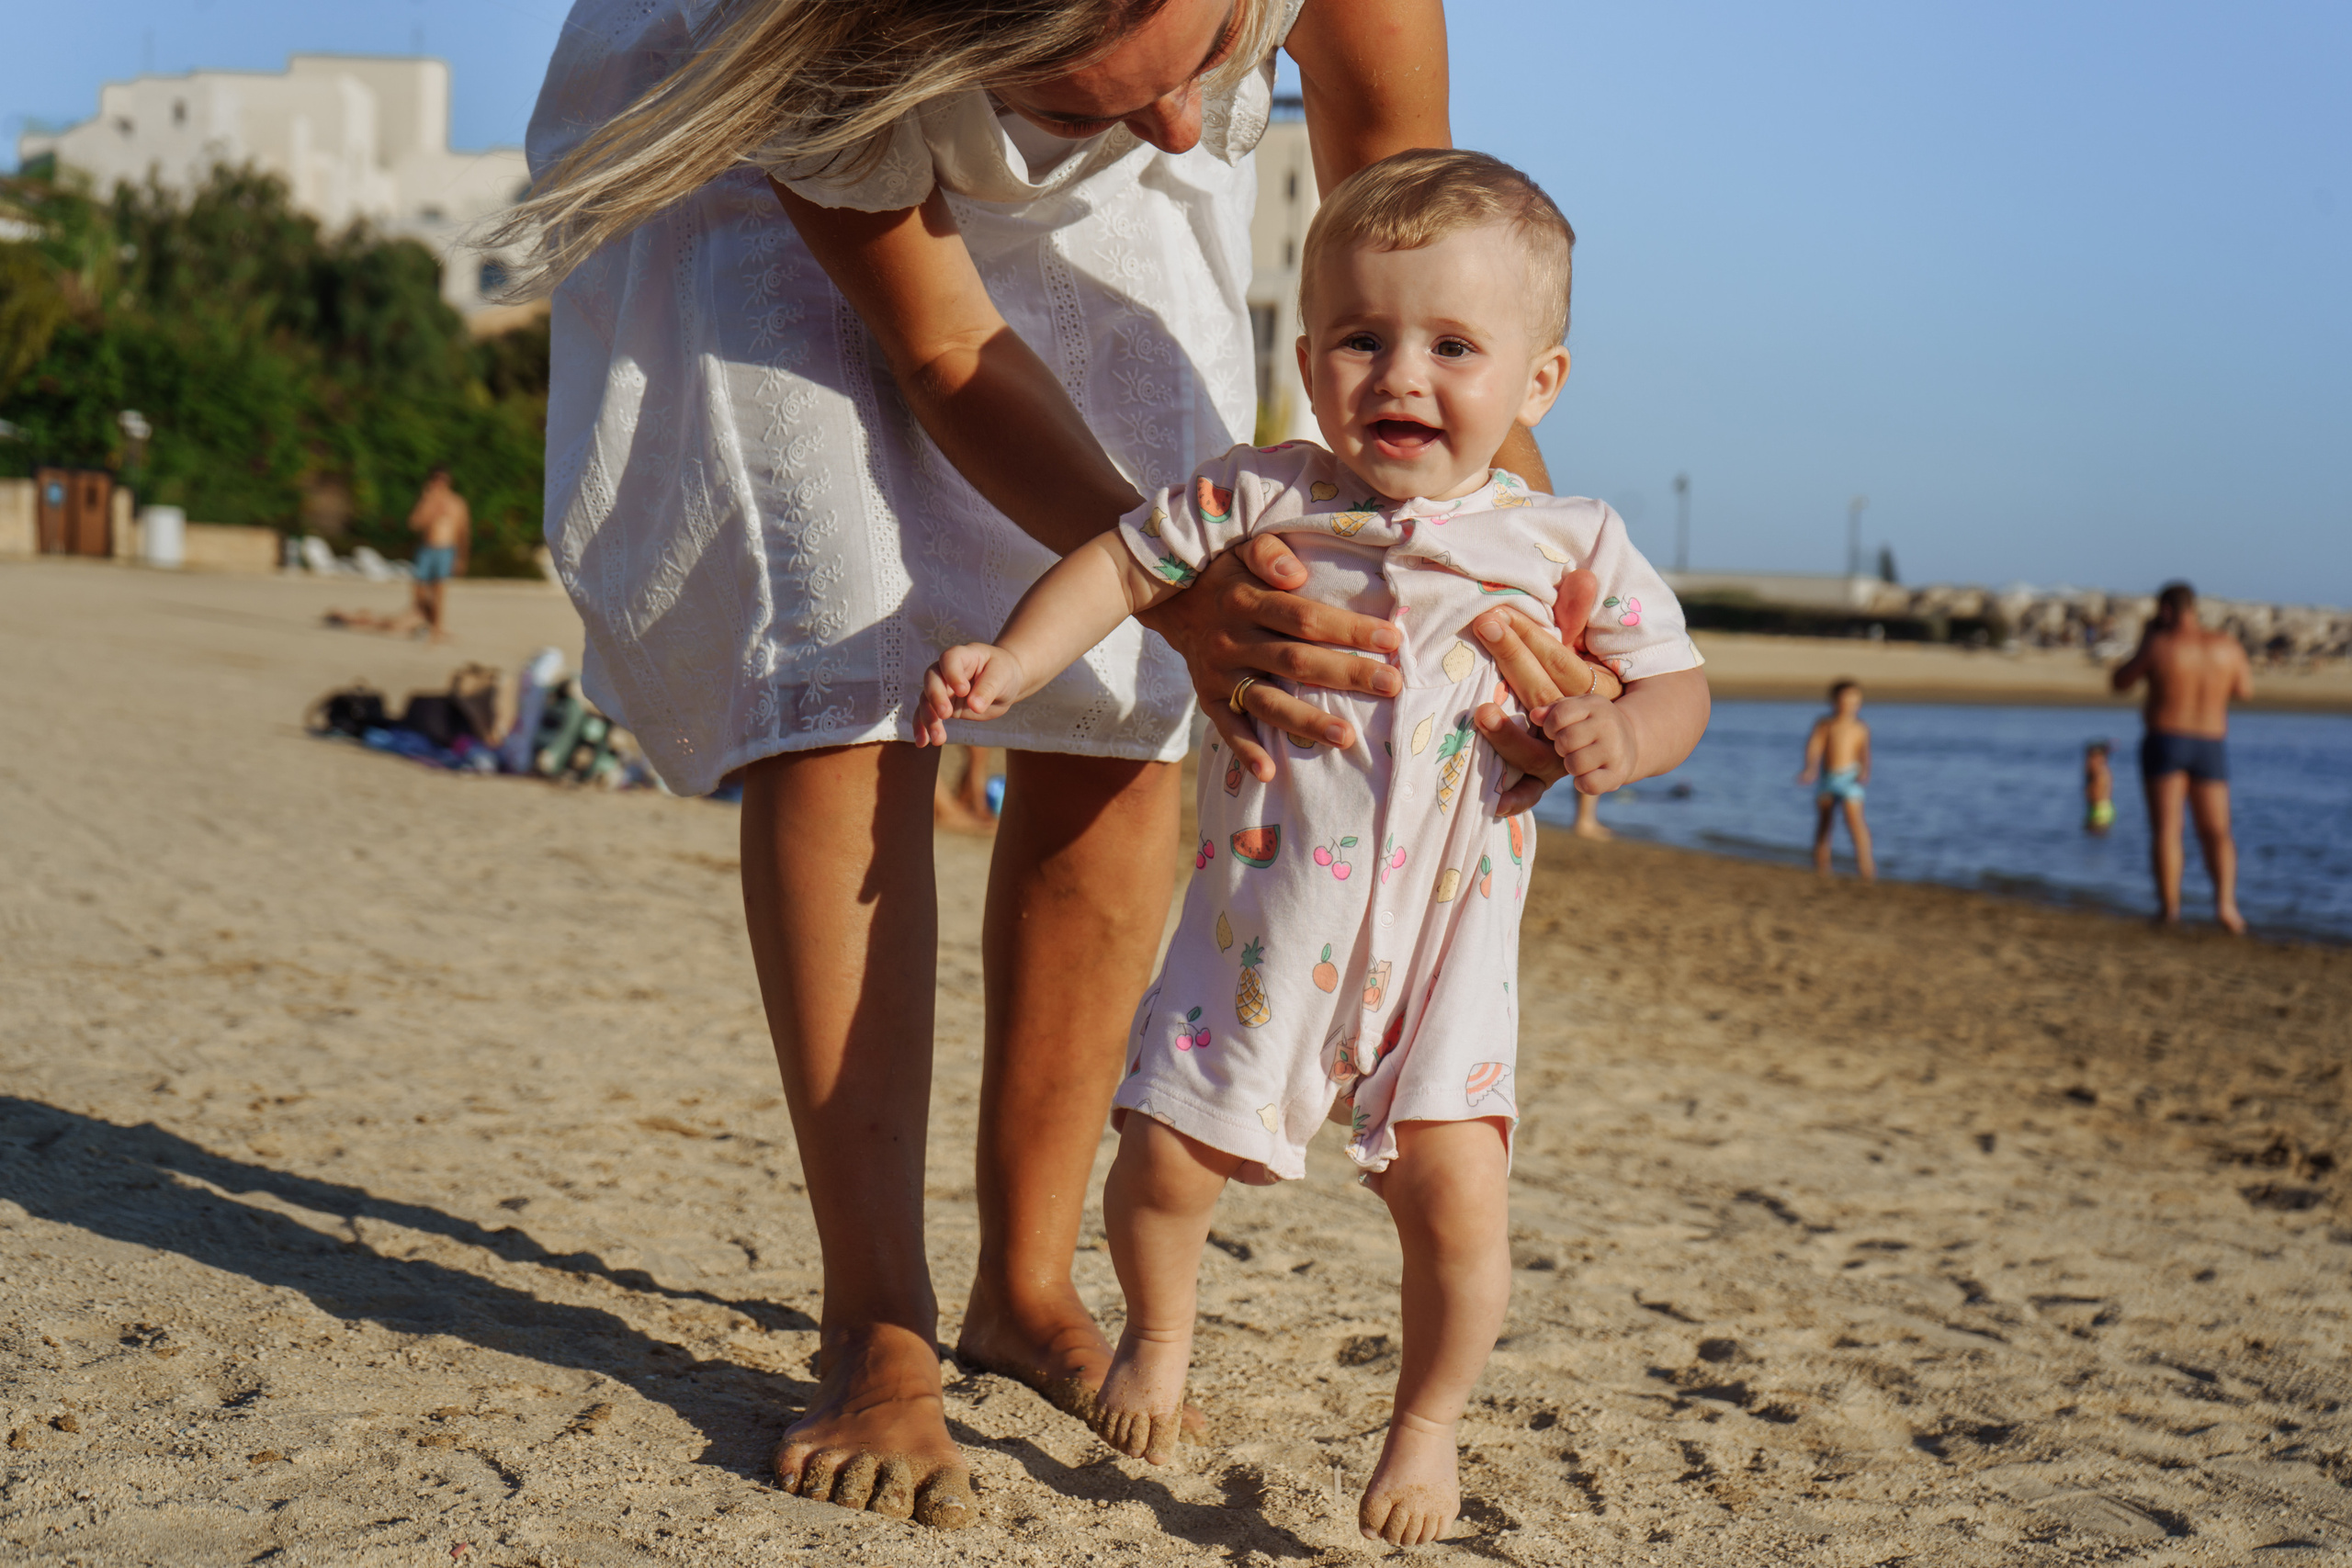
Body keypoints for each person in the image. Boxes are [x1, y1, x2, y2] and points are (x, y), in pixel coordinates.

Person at [507, 0, 1622, 1529]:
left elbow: (1441, 275)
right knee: (849, 656)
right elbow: (947, 341)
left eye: (1218, 51)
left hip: (1027, 159)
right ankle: (874, 1322)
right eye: (1102, 95)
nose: (1193, 132)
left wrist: (1527, 605)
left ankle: (1025, 1281)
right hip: (788, 134)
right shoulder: (833, 42)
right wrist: (1168, 575)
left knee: (1124, 706)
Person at [920, 150, 1710, 1543]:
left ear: (1540, 384)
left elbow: (1678, 685)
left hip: (1445, 967)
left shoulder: (1566, 542)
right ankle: (1158, 1333)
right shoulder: (1265, 499)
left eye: (1455, 347)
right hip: (1261, 934)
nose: (1403, 376)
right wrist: (1012, 658)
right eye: (1364, 339)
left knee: (1460, 1213)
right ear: (1308, 354)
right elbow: (1117, 562)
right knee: (1162, 1165)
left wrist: (1621, 740)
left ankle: (1427, 1423)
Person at [2110, 581, 2251, 932]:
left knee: (2168, 830)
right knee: (2217, 830)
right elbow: (2245, 691)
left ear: (2166, 610)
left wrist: (2145, 642)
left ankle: (2170, 910)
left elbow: (2121, 682)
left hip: (2166, 737)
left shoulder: (2160, 645)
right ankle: (2226, 907)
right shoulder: (2227, 646)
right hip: (2210, 742)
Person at [322, 468, 471, 640]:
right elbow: (414, 524)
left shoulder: (457, 503)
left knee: (439, 588)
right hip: (427, 548)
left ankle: (437, 626)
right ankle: (428, 619)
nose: (438, 483)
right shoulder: (427, 501)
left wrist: (461, 557)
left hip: (446, 549)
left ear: (448, 481)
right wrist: (428, 503)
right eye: (435, 479)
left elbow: (463, 532)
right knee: (419, 588)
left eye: (442, 480)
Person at [1799, 679, 1874, 880]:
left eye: (1854, 701)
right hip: (1827, 779)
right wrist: (1810, 769)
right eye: (1844, 701)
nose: (1848, 706)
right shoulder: (1826, 724)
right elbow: (1814, 747)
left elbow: (1865, 753)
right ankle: (1822, 867)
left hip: (1851, 779)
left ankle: (1866, 870)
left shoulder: (1860, 727)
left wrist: (1865, 770)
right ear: (1834, 701)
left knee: (1856, 824)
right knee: (1825, 825)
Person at [2083, 739, 2115, 834]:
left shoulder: (2094, 766)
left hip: (2099, 809)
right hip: (2105, 807)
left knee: (2093, 836)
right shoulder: (2104, 768)